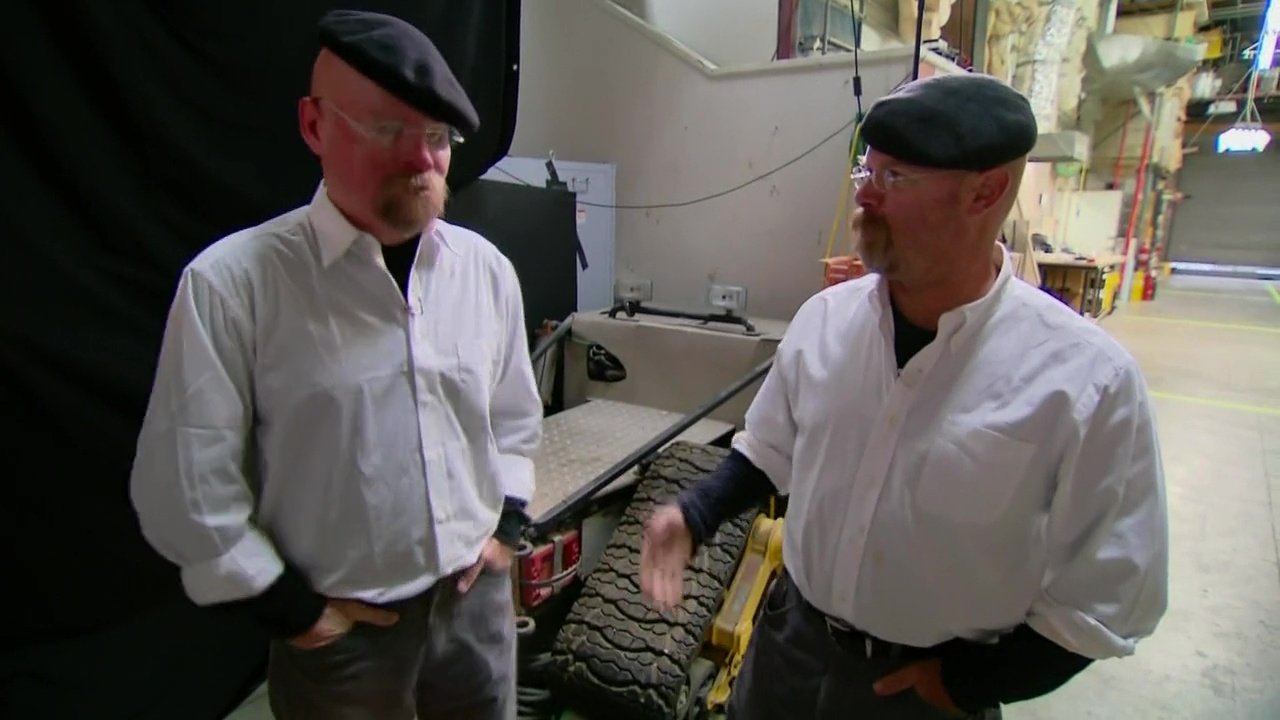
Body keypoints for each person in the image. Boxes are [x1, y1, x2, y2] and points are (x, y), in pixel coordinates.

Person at [640, 73, 1167, 720]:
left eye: (895, 178)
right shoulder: (826, 321)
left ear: (985, 192)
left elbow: (1112, 595)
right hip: (787, 651)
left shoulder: (1086, 383)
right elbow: (772, 449)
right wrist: (695, 514)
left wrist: (976, 684)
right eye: (868, 170)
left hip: (920, 692)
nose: (865, 195)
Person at [129, 9, 542, 720]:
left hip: (476, 612)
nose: (422, 160)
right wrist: (293, 611)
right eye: (387, 131)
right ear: (314, 125)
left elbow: (512, 419)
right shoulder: (234, 286)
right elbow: (186, 486)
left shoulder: (485, 272)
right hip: (345, 643)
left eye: (437, 136)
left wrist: (506, 525)